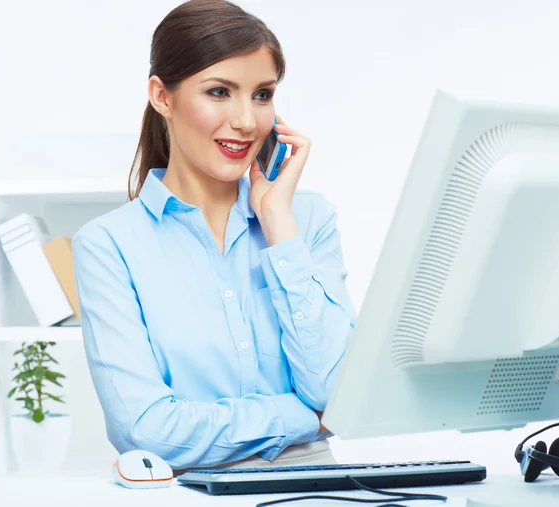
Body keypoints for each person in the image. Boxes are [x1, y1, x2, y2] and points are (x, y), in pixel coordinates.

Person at [72, 0, 355, 473]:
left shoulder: (307, 219)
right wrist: (306, 416)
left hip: (320, 484)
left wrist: (278, 227)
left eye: (262, 95)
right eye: (220, 91)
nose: (246, 121)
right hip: (190, 495)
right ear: (162, 96)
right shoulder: (108, 246)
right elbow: (144, 432)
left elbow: (336, 390)